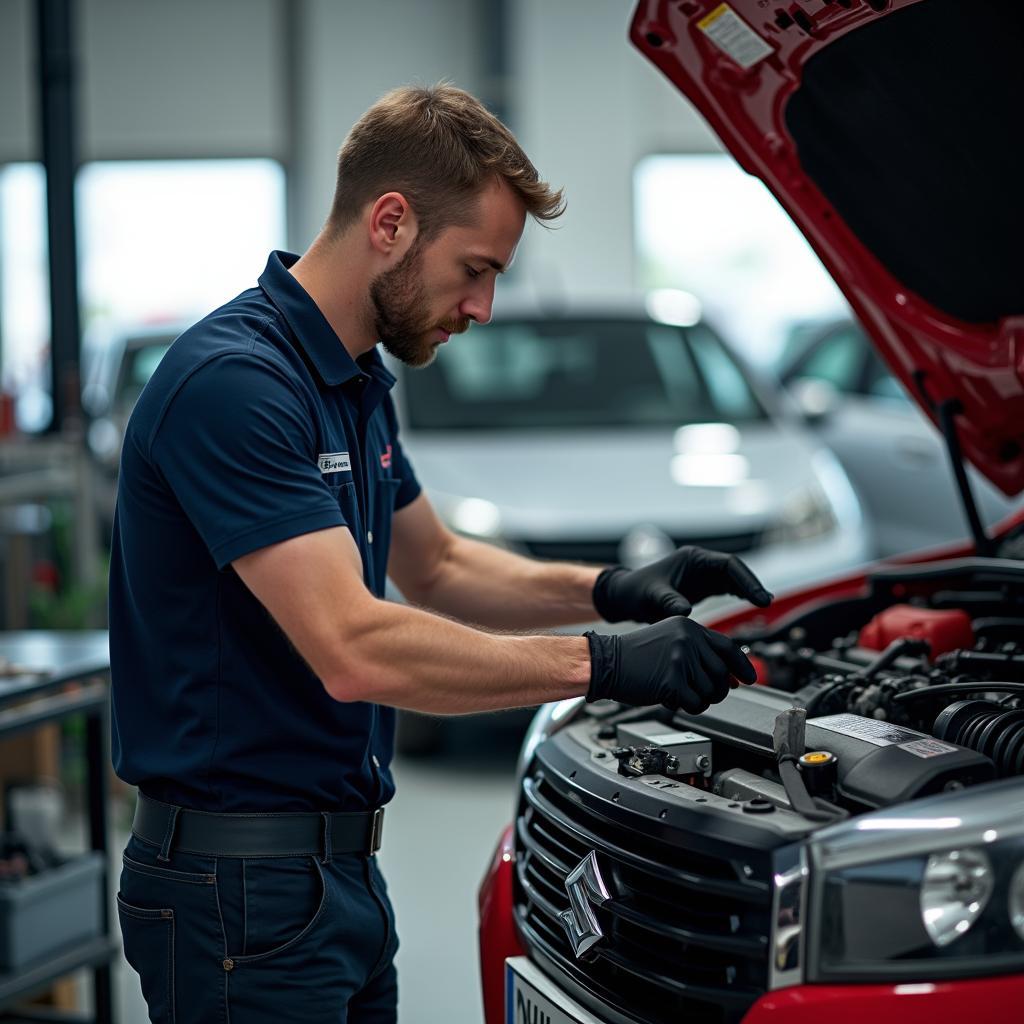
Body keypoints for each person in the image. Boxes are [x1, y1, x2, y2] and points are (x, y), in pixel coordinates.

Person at [109, 83, 773, 1024]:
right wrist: (607, 665)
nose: (486, 306)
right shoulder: (236, 385)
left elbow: (443, 567)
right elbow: (356, 647)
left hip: (335, 872)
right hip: (237, 887)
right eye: (474, 268)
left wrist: (620, 589)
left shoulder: (352, 381)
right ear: (390, 222)